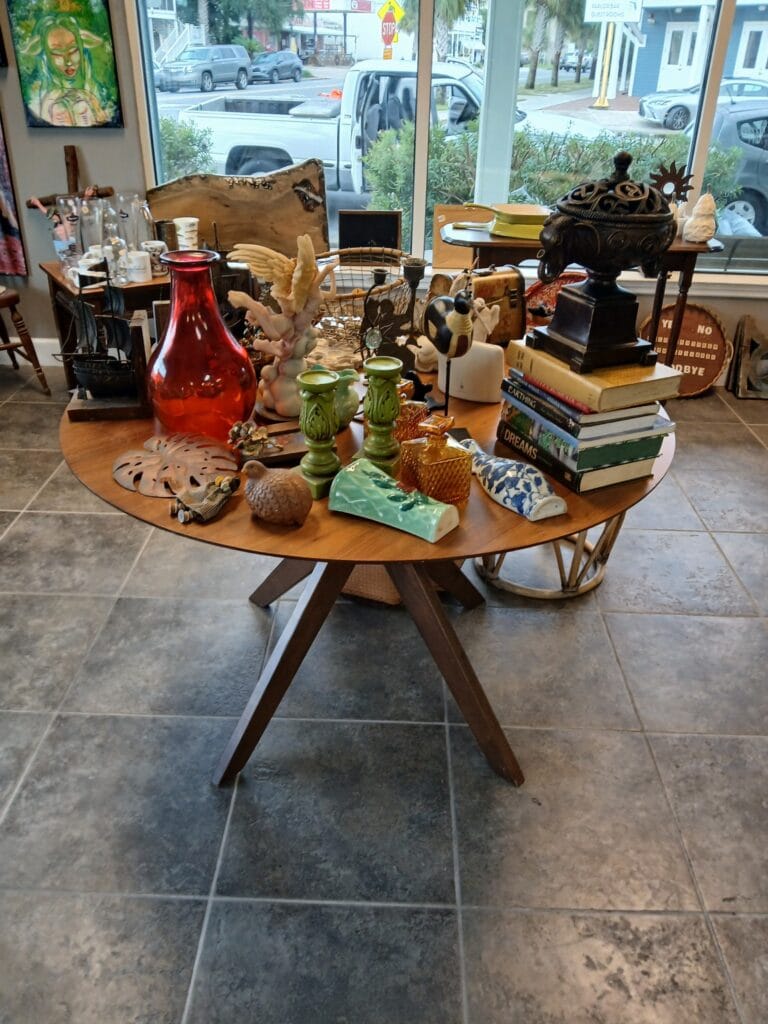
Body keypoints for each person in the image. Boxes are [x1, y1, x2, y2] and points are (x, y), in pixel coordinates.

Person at [20, 15, 118, 128]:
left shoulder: (94, 94)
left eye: (73, 51)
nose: (68, 62)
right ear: (46, 56)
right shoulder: (46, 102)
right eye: (57, 54)